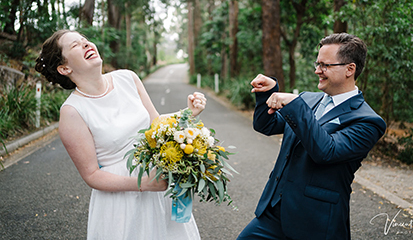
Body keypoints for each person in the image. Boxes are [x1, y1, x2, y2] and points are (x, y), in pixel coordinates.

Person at [35, 30, 205, 240]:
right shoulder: (72, 111)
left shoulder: (128, 78)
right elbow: (91, 175)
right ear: (64, 68)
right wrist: (145, 184)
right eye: (75, 45)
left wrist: (187, 113)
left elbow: (156, 125)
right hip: (121, 203)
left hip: (158, 187)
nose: (86, 44)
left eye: (85, 40)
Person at [237, 33, 386, 240]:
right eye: (317, 64)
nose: (317, 71)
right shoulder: (307, 99)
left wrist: (295, 104)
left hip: (316, 224)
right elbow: (266, 125)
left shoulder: (368, 121)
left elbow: (326, 151)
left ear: (349, 69)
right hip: (273, 213)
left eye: (325, 65)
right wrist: (267, 93)